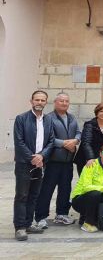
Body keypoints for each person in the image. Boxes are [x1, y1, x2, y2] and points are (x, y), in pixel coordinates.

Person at [13, 90, 55, 241]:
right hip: (25, 163)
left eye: (42, 100)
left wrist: (42, 156)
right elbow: (19, 141)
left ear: (46, 102)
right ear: (31, 101)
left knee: (34, 195)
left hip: (41, 162)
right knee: (22, 195)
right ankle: (20, 227)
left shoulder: (48, 120)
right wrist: (32, 157)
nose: (39, 103)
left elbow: (51, 141)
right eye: (37, 100)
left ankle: (28, 223)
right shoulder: (21, 118)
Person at [35, 93, 80, 229]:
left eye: (66, 101)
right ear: (55, 102)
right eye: (61, 101)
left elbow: (78, 132)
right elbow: (47, 137)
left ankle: (62, 214)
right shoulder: (48, 118)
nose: (64, 103)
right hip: (53, 161)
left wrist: (75, 141)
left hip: (67, 162)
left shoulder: (72, 118)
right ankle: (41, 217)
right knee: (46, 189)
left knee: (65, 189)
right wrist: (65, 143)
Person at [71, 143, 103, 233]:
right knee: (94, 193)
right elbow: (86, 187)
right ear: (100, 153)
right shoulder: (91, 165)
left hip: (96, 197)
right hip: (79, 199)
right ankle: (88, 223)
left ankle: (87, 218)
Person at [76, 103, 103, 176]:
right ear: (97, 113)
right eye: (101, 111)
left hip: (101, 160)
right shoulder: (89, 125)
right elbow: (86, 143)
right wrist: (90, 158)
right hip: (86, 159)